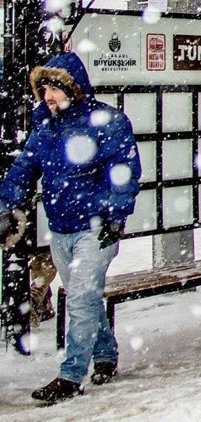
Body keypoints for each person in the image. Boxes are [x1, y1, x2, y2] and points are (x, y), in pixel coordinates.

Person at [0, 53, 141, 404]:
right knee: (85, 297)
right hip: (61, 229)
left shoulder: (107, 122)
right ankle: (106, 355)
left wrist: (114, 215)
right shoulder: (45, 128)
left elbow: (123, 170)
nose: (48, 95)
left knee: (79, 297)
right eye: (43, 87)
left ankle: (71, 375)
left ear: (73, 88)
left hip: (96, 228)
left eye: (55, 87)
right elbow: (23, 169)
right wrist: (7, 207)